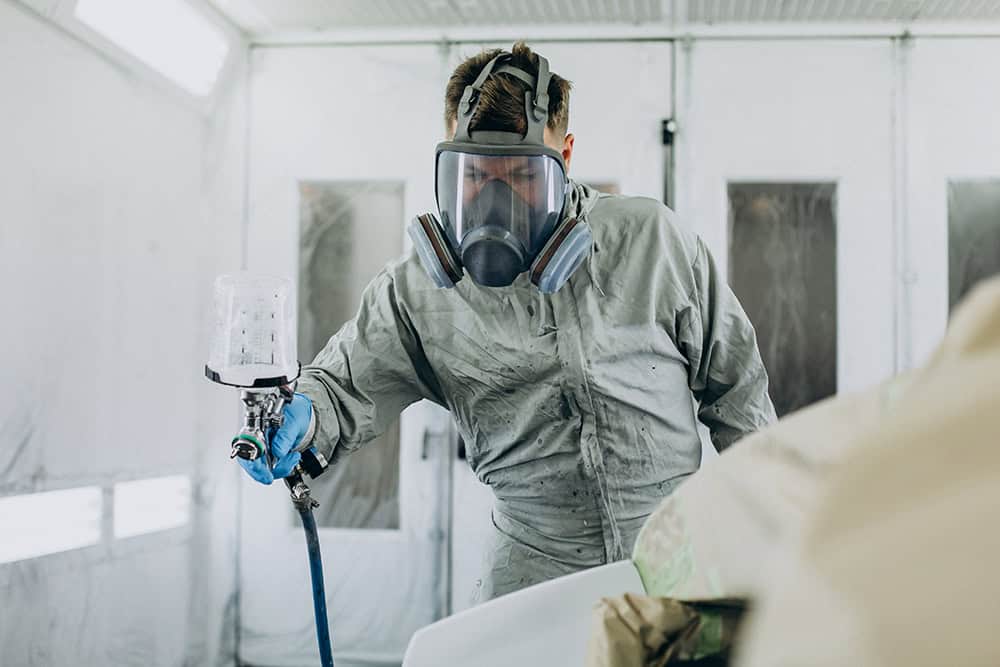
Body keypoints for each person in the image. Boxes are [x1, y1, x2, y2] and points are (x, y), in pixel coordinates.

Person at [238, 42, 777, 601]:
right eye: (473, 175)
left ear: (564, 157)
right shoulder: (416, 291)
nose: (492, 198)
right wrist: (303, 418)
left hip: (674, 543)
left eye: (520, 175)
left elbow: (739, 389)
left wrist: (767, 525)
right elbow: (342, 387)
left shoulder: (652, 242)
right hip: (530, 556)